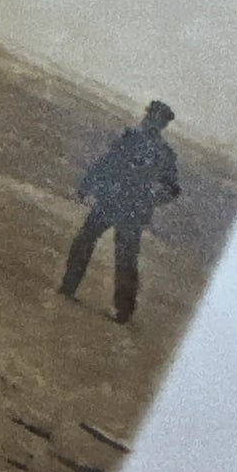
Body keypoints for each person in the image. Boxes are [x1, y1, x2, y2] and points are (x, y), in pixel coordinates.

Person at [59, 100, 180, 324]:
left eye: (155, 118)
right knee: (85, 243)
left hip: (130, 210)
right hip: (111, 202)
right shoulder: (131, 137)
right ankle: (68, 287)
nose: (150, 120)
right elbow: (107, 162)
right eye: (150, 115)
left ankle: (122, 311)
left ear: (162, 124)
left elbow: (172, 189)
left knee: (124, 260)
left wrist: (150, 199)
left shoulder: (165, 154)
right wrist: (87, 185)